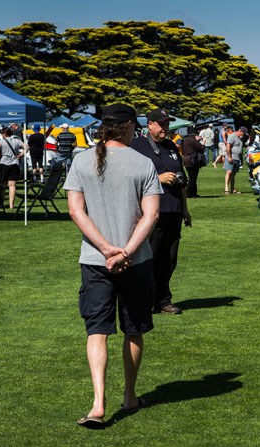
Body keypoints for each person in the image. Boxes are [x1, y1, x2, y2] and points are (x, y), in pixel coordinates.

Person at [63, 103, 162, 429]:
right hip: (135, 260)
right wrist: (126, 252)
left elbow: (76, 212)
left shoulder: (81, 161)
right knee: (133, 329)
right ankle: (130, 397)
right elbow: (152, 215)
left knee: (97, 331)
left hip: (95, 260)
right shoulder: (144, 163)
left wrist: (106, 249)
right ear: (131, 125)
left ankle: (98, 404)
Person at [131, 108, 192, 315]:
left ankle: (163, 300)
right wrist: (158, 178)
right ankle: (145, 299)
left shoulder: (171, 146)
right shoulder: (137, 146)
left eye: (167, 124)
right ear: (150, 124)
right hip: (151, 212)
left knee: (170, 258)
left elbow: (181, 179)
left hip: (173, 209)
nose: (166, 128)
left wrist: (185, 208)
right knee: (151, 257)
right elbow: (129, 178)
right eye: (162, 124)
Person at [0, 127, 26, 209]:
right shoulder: (17, 141)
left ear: (4, 134)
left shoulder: (1, 141)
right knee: (12, 185)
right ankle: (11, 205)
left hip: (4, 164)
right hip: (14, 164)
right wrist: (21, 154)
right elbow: (27, 147)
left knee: (2, 184)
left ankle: (1, 202)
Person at [181, 126, 204, 198]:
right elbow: (200, 148)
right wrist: (201, 142)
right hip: (192, 160)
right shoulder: (193, 140)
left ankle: (194, 193)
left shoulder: (184, 139)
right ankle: (189, 193)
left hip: (186, 159)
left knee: (192, 176)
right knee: (193, 177)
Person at [223, 126, 245, 194]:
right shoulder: (232, 136)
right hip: (231, 157)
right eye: (243, 133)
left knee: (233, 174)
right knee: (229, 172)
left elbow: (240, 149)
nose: (243, 135)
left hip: (237, 158)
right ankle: (226, 189)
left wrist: (241, 160)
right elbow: (228, 146)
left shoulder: (240, 139)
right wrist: (229, 157)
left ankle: (232, 189)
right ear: (240, 131)